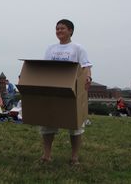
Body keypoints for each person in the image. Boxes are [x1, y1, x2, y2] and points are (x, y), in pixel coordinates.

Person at [40, 19, 92, 165]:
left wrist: (88, 77)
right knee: (47, 123)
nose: (59, 31)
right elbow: (45, 67)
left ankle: (74, 157)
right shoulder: (50, 48)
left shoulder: (78, 48)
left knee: (75, 125)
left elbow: (86, 66)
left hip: (72, 90)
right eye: (57, 29)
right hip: (53, 90)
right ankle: (46, 155)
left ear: (70, 31)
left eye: (62, 28)